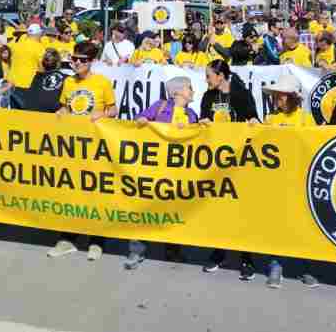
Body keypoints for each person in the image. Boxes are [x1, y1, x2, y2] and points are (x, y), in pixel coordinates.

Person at [49, 42, 117, 260]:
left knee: (95, 194)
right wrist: (61, 111)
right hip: (72, 147)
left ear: (92, 61)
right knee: (71, 193)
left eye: (82, 60)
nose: (77, 63)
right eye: (74, 59)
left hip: (95, 147)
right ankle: (67, 239)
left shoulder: (102, 82)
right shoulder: (68, 82)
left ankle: (96, 241)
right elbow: (66, 107)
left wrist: (103, 114)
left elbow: (113, 109)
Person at [125, 76, 198, 270]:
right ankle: (137, 250)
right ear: (177, 92)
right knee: (145, 208)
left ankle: (173, 250)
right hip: (154, 168)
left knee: (173, 211)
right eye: (189, 88)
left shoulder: (192, 114)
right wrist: (141, 120)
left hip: (177, 172)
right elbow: (138, 120)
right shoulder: (160, 106)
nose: (193, 91)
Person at [200, 59, 259, 279]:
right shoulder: (208, 96)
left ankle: (246, 258)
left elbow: (253, 118)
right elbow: (203, 119)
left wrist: (253, 121)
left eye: (209, 76)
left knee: (242, 210)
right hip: (216, 161)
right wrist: (203, 123)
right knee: (219, 209)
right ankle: (219, 252)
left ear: (221, 75)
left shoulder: (241, 94)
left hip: (240, 160)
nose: (206, 80)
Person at [261, 72, 319, 289]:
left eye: (282, 94)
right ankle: (276, 266)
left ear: (292, 97)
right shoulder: (270, 119)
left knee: (303, 225)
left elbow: (314, 145)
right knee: (277, 224)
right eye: (276, 94)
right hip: (276, 181)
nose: (277, 98)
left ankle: (306, 267)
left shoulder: (305, 119)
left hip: (300, 179)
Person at [9, 48, 65, 113]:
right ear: (58, 63)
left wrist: (13, 89)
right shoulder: (65, 78)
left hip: (34, 111)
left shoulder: (37, 76)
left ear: (42, 62)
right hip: (51, 112)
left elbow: (32, 96)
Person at [8, 24, 46, 91]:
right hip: (28, 84)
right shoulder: (39, 47)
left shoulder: (15, 45)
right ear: (38, 34)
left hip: (11, 82)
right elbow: (42, 68)